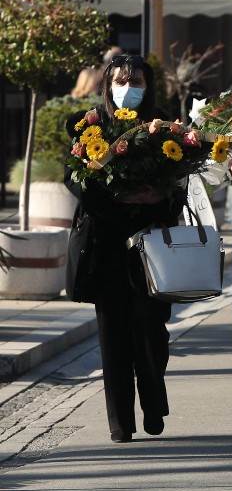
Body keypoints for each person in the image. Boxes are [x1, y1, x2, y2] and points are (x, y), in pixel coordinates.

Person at [65, 54, 180, 443]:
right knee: (113, 336)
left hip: (152, 247)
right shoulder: (89, 125)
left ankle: (152, 400)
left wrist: (157, 198)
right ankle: (120, 422)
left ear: (148, 87)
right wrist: (123, 199)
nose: (127, 88)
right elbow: (77, 181)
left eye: (137, 82)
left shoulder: (162, 125)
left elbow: (180, 183)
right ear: (107, 84)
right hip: (107, 244)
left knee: (151, 331)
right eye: (120, 80)